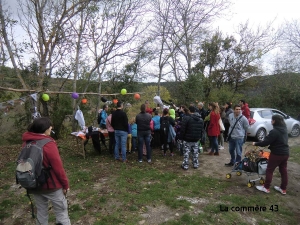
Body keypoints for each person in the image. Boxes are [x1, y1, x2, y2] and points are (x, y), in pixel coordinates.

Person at [22, 117, 70, 225]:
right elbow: (58, 167)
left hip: (34, 184)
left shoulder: (26, 143)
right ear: (45, 129)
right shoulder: (48, 144)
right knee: (61, 212)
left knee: (41, 212)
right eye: (50, 126)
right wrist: (65, 185)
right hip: (51, 186)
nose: (51, 128)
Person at [253, 115, 289, 194]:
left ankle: (266, 187)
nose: (271, 121)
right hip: (285, 153)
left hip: (277, 154)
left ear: (274, 121)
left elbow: (265, 142)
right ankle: (283, 189)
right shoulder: (284, 129)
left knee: (269, 170)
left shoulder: (274, 131)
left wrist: (255, 143)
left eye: (272, 120)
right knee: (283, 170)